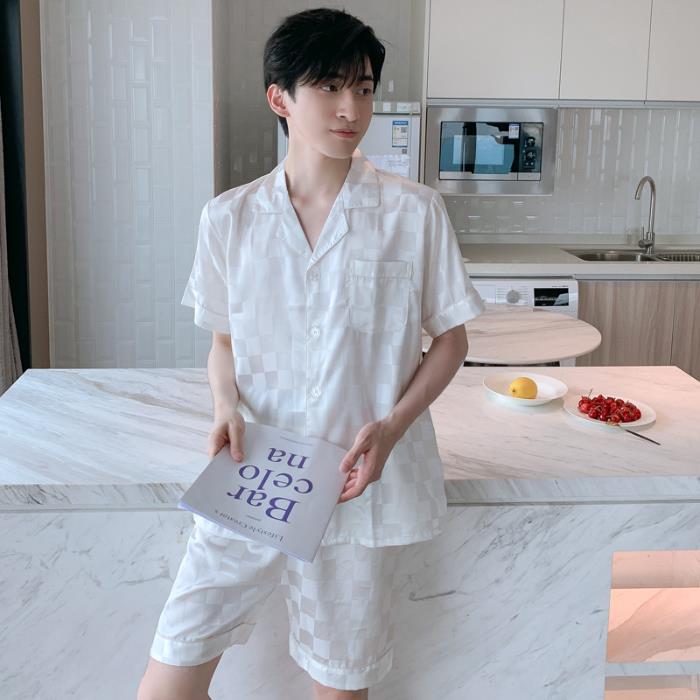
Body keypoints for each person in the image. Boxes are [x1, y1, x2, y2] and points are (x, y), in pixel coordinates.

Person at [137, 7, 485, 700]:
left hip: (353, 481)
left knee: (339, 687)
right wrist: (224, 406)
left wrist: (392, 428)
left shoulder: (414, 212)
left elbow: (451, 340)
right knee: (171, 675)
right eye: (329, 86)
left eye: (364, 88)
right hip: (253, 476)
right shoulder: (229, 218)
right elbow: (224, 343)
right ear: (280, 98)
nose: (351, 108)